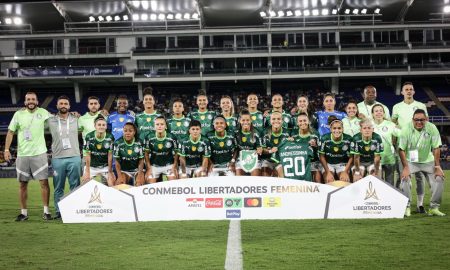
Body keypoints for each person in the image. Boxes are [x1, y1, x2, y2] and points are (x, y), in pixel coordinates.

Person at [4, 91, 52, 221]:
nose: (31, 101)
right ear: (25, 102)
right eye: (28, 99)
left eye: (33, 99)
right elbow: (10, 132)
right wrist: (7, 149)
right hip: (23, 155)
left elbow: (58, 120)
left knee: (44, 183)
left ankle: (46, 212)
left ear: (37, 101)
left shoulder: (43, 112)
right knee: (22, 184)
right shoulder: (18, 114)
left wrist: (72, 114)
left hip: (40, 154)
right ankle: (24, 213)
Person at [399, 109, 445, 217]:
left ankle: (434, 207)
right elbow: (401, 149)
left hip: (428, 161)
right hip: (411, 161)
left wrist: (437, 166)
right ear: (412, 120)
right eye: (416, 120)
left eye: (422, 120)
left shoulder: (432, 127)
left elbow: (436, 147)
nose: (419, 122)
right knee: (405, 179)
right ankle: (407, 207)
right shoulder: (406, 129)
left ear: (426, 120)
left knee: (440, 178)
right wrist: (405, 167)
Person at [392, 82, 428, 205]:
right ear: (402, 92)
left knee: (418, 174)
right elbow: (393, 124)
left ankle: (420, 204)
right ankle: (403, 202)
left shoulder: (421, 105)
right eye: (406, 89)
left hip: (416, 146)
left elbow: (425, 124)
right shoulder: (397, 107)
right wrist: (394, 142)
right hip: (402, 145)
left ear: (413, 92)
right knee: (402, 173)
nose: (408, 91)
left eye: (410, 89)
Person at [47, 95, 82, 219]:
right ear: (57, 106)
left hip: (74, 157)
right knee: (58, 187)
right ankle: (59, 211)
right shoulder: (50, 120)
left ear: (69, 106)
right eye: (61, 103)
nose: (63, 105)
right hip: (57, 158)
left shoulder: (77, 118)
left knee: (75, 186)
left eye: (65, 104)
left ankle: (75, 209)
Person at [82, 116, 115, 186]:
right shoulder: (89, 137)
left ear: (106, 127)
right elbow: (88, 154)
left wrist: (110, 171)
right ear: (95, 126)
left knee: (112, 184)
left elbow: (110, 155)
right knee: (85, 184)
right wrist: (87, 171)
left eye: (103, 125)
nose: (101, 127)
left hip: (105, 167)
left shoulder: (110, 137)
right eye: (99, 125)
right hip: (92, 167)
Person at [372, 104, 401, 186]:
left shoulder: (390, 124)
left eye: (381, 111)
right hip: (375, 159)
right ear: (372, 114)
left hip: (389, 158)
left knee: (390, 184)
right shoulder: (369, 125)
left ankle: (390, 199)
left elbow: (401, 134)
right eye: (376, 111)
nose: (378, 113)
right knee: (378, 184)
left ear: (384, 113)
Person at [319, 116, 353, 183]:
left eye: (339, 128)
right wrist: (328, 172)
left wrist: (345, 171)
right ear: (330, 129)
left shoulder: (348, 139)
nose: (337, 130)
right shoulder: (324, 138)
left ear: (343, 129)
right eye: (334, 128)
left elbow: (352, 157)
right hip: (328, 164)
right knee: (329, 180)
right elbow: (321, 156)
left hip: (342, 164)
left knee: (344, 181)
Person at [144, 116, 178, 183]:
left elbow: (176, 153)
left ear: (166, 126)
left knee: (173, 181)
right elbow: (146, 154)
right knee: (150, 183)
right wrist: (148, 168)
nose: (159, 126)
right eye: (157, 124)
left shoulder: (172, 137)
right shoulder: (149, 137)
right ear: (154, 126)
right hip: (154, 166)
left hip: (168, 165)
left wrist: (174, 167)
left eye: (162, 124)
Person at [291, 112, 321, 183]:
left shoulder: (315, 133)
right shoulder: (293, 134)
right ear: (297, 123)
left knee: (317, 182)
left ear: (308, 121)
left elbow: (319, 148)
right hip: (300, 164)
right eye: (300, 121)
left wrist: (315, 145)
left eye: (304, 120)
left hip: (314, 162)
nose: (303, 123)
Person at [261, 112, 290, 177]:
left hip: (281, 161)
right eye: (273, 119)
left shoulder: (288, 133)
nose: (276, 121)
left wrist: (291, 142)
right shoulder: (264, 132)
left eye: (278, 119)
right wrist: (270, 151)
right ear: (270, 121)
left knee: (282, 177)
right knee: (264, 178)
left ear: (282, 121)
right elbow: (262, 150)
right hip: (268, 160)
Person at [235, 110, 264, 176]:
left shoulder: (256, 133)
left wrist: (259, 149)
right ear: (240, 121)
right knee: (239, 181)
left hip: (254, 158)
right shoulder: (236, 133)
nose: (245, 122)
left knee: (255, 181)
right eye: (243, 120)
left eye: (247, 120)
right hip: (240, 159)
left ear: (251, 120)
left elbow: (259, 147)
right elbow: (234, 148)